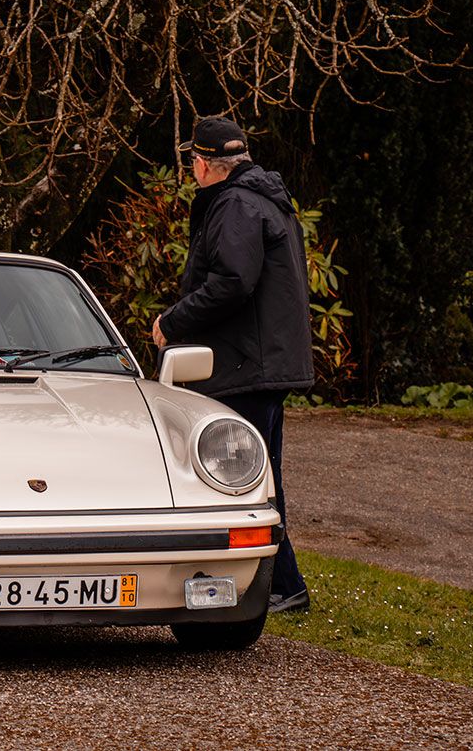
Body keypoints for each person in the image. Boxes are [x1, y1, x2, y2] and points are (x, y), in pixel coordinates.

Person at [152, 117, 315, 613]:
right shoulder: (263, 199)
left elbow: (231, 282)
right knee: (259, 476)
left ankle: (279, 585)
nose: (191, 170)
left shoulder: (236, 204)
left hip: (246, 364)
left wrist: (173, 322)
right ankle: (282, 582)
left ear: (203, 164)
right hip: (261, 361)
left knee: (244, 480)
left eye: (192, 161)